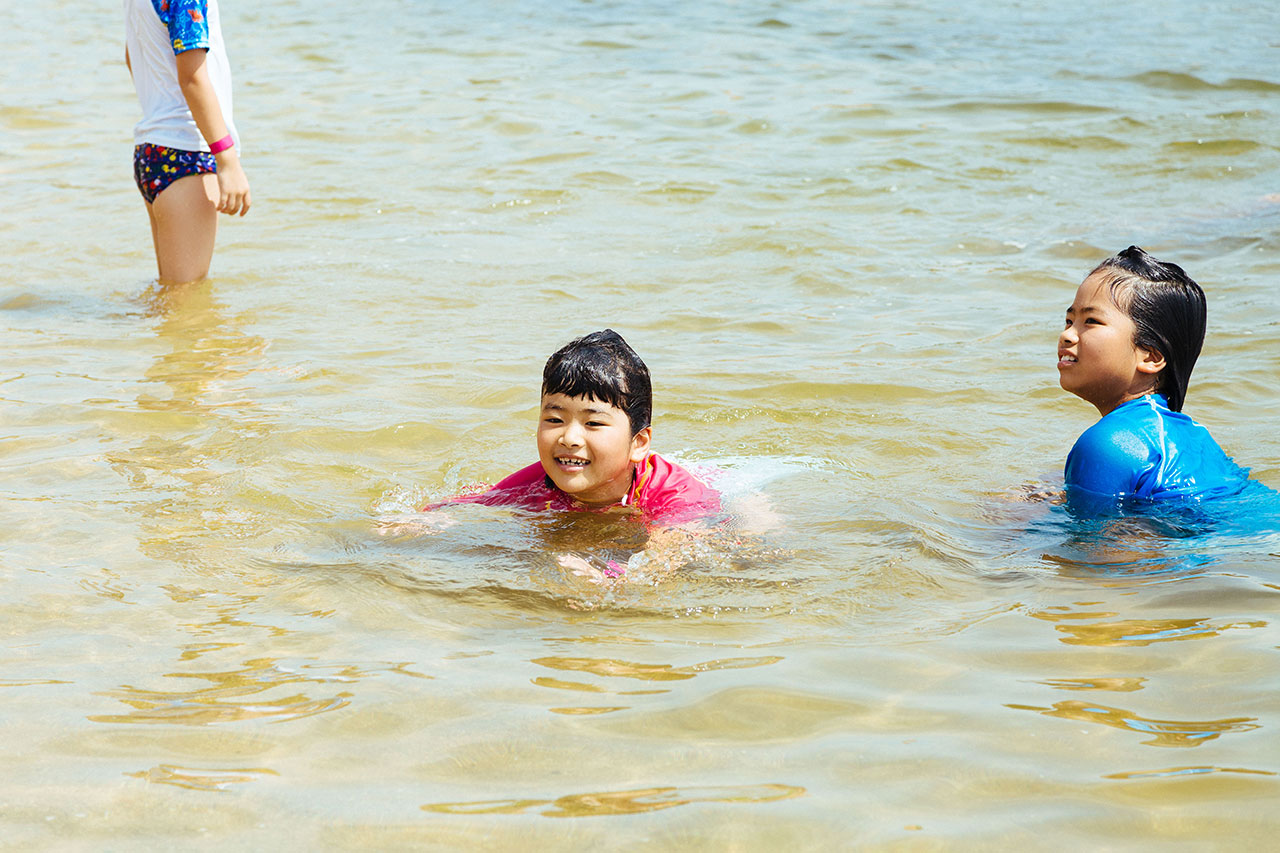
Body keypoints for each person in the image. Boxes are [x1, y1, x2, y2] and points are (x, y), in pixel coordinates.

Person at [426, 330, 722, 541]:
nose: (569, 438)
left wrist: (609, 576)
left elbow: (669, 555)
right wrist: (430, 520)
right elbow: (478, 502)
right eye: (555, 419)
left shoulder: (675, 497)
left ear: (638, 443)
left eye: (593, 423)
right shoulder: (538, 483)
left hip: (721, 490)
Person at [1057, 246, 1249, 506]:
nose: (1067, 335)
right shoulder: (1195, 437)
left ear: (1150, 357)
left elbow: (1100, 532)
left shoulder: (1106, 444)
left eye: (1091, 321)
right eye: (1069, 321)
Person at [124, 0, 250, 285]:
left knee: (171, 293)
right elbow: (192, 78)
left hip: (152, 149)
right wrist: (228, 161)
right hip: (188, 149)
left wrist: (160, 108)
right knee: (187, 297)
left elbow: (133, 55)